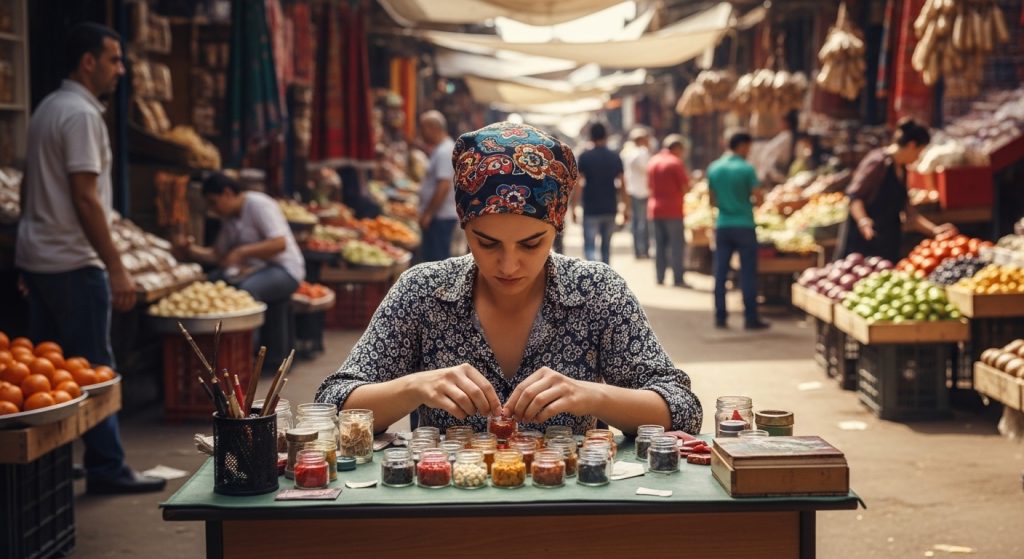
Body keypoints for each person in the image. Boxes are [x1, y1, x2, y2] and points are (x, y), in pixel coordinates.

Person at [315, 122, 702, 436]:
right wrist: (414, 387)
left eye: (532, 244)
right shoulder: (422, 291)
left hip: (569, 501)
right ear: (464, 227)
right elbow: (330, 405)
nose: (509, 264)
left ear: (557, 227)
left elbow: (683, 408)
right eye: (487, 243)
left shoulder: (596, 291)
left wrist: (594, 396)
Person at [16, 23, 165, 494]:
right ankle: (107, 467)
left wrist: (27, 252)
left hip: (42, 260)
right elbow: (85, 197)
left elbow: (28, 187)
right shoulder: (81, 114)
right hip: (74, 263)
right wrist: (116, 267)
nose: (121, 70)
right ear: (88, 62)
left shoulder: (47, 108)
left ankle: (52, 466)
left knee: (46, 372)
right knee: (94, 367)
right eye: (114, 60)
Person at [175, 173, 305, 361]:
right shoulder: (229, 219)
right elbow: (217, 255)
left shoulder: (258, 204)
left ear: (227, 193)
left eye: (213, 203)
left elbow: (279, 243)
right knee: (215, 280)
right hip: (257, 271)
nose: (212, 210)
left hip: (285, 271)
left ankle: (248, 355)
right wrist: (190, 250)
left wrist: (242, 252)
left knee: (247, 291)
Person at [839, 119, 958, 263]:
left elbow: (909, 213)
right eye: (919, 152)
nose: (918, 157)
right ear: (912, 145)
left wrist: (934, 231)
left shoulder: (902, 168)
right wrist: (863, 221)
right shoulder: (878, 162)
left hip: (887, 243)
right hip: (864, 242)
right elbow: (854, 197)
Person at [708, 132, 769, 330]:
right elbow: (759, 198)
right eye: (748, 147)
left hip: (723, 225)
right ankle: (750, 318)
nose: (749, 151)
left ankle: (720, 316)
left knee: (720, 273)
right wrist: (745, 203)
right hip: (744, 225)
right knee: (748, 273)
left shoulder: (714, 168)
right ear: (742, 145)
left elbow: (711, 200)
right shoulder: (746, 169)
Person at [571, 122, 628, 264]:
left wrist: (574, 206)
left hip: (590, 208)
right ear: (606, 136)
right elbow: (622, 183)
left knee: (590, 246)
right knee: (606, 248)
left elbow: (578, 184)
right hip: (610, 207)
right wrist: (626, 207)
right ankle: (605, 274)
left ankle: (591, 274)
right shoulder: (614, 157)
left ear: (590, 136)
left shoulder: (585, 156)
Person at [647, 134, 691, 287]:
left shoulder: (653, 161)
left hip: (655, 209)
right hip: (673, 210)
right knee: (676, 246)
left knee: (659, 245)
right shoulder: (675, 163)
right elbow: (685, 187)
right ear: (677, 148)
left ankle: (660, 277)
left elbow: (649, 185)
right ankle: (678, 278)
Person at [417, 110, 458, 262]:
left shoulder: (444, 151)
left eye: (422, 128)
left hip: (440, 218)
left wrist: (428, 214)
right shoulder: (443, 149)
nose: (421, 133)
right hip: (440, 216)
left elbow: (443, 186)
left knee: (436, 260)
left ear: (433, 128)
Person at [621, 128, 652, 259]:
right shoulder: (641, 153)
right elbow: (647, 170)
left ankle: (638, 250)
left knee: (636, 222)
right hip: (642, 191)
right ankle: (642, 249)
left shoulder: (628, 153)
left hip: (632, 190)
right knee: (642, 223)